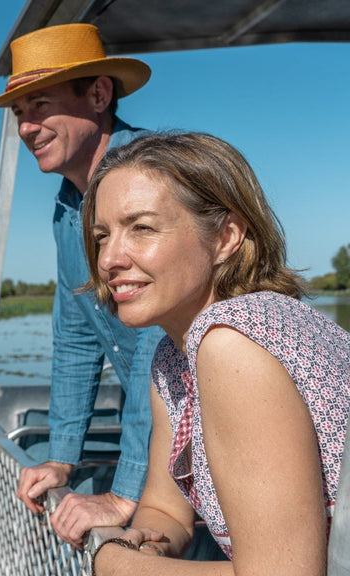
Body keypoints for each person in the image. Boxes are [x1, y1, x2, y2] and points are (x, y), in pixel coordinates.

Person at [82, 131, 350, 575]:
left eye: (142, 228)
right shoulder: (173, 356)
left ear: (227, 236)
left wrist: (113, 564)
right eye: (101, 235)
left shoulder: (233, 341)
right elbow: (164, 510)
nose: (109, 258)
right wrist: (146, 547)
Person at [0, 23, 165, 547]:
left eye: (39, 104)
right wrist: (61, 456)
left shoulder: (153, 179)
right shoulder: (67, 208)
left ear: (99, 94)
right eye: (19, 113)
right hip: (177, 438)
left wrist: (125, 491)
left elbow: (160, 345)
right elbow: (77, 339)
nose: (27, 127)